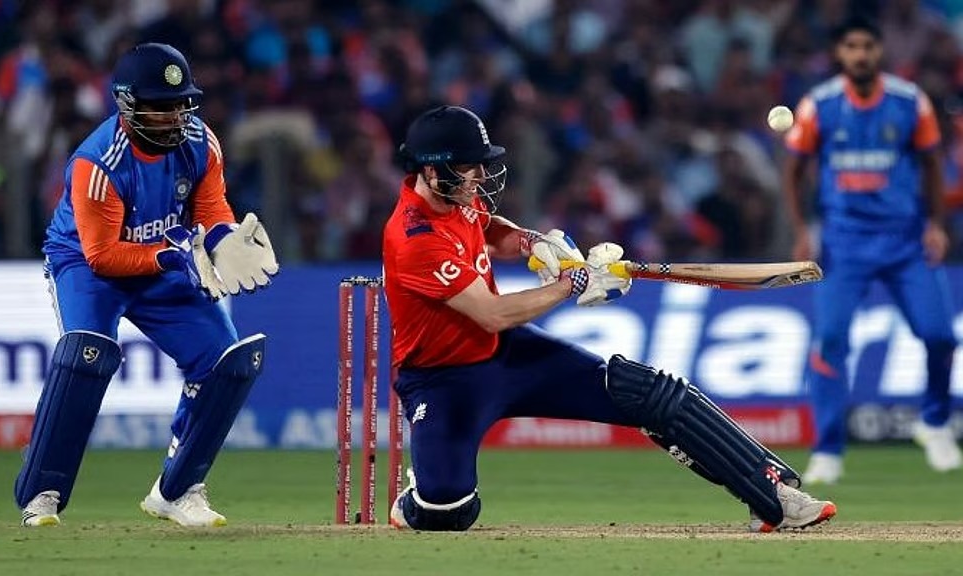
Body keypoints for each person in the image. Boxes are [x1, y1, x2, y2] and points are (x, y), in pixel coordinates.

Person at [382, 104, 837, 532]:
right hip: (443, 380)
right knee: (450, 510)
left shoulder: (455, 196)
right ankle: (420, 495)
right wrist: (571, 283)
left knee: (646, 393)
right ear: (431, 171)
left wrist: (532, 243)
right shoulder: (415, 238)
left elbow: (488, 228)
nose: (481, 175)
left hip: (506, 354)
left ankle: (772, 494)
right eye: (469, 166)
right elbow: (492, 313)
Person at [15, 43, 279, 527]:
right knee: (86, 355)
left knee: (227, 361)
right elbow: (103, 255)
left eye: (180, 104)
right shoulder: (98, 162)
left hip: (164, 258)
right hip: (88, 265)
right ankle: (42, 492)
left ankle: (178, 490)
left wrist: (222, 240)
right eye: (160, 106)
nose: (174, 117)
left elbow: (210, 208)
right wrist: (173, 255)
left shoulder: (200, 142)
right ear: (127, 105)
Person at [783, 17, 961, 485]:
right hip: (844, 243)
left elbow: (931, 166)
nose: (860, 54)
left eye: (867, 46)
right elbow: (794, 170)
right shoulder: (820, 105)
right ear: (839, 54)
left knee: (940, 336)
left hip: (905, 241)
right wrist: (802, 229)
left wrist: (936, 224)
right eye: (851, 47)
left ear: (879, 51)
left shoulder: (909, 102)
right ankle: (827, 451)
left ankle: (935, 422)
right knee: (830, 341)